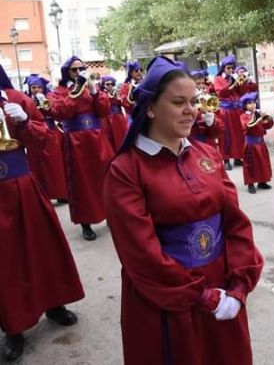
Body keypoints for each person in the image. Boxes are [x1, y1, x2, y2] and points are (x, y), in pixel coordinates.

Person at [104, 56, 263, 365]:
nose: (191, 110)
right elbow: (141, 253)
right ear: (150, 107)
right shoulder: (126, 170)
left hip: (222, 287)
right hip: (165, 296)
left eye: (194, 101)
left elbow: (235, 224)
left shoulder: (206, 154)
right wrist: (203, 296)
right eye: (179, 102)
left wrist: (240, 284)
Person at [0, 65, 84, 362]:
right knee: (4, 263)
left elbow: (44, 140)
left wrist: (25, 123)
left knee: (43, 249)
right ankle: (13, 327)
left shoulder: (15, 98)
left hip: (21, 185)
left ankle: (54, 304)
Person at [47, 56, 112, 241]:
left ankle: (109, 214)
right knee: (81, 182)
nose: (78, 73)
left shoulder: (91, 86)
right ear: (67, 72)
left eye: (80, 69)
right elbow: (61, 112)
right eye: (74, 70)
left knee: (104, 178)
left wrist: (95, 93)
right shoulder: (59, 91)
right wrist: (76, 90)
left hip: (97, 138)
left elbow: (103, 111)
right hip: (76, 141)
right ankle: (85, 223)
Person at [23, 73, 68, 202]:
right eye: (33, 87)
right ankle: (41, 196)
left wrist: (45, 105)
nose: (36, 90)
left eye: (39, 87)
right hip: (34, 135)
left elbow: (57, 114)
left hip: (50, 133)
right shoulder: (26, 99)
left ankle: (60, 193)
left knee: (54, 165)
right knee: (36, 166)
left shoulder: (49, 97)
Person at [213, 56, 253, 170]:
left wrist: (243, 82)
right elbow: (221, 93)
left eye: (232, 68)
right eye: (228, 67)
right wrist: (232, 85)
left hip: (237, 110)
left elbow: (243, 93)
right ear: (223, 68)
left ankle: (237, 158)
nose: (230, 70)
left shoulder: (234, 77)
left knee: (239, 135)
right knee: (226, 135)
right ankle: (226, 159)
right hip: (226, 111)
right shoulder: (218, 79)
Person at [239, 92, 274, 194]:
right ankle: (251, 184)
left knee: (263, 163)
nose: (252, 105)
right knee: (251, 164)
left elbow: (267, 126)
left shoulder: (259, 113)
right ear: (245, 105)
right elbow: (246, 127)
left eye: (254, 102)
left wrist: (268, 119)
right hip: (251, 144)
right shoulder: (244, 116)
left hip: (261, 143)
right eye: (249, 103)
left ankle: (262, 181)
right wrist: (255, 118)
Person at [101, 75, 128, 152]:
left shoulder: (117, 93)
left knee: (121, 139)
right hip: (107, 121)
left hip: (118, 120)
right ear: (103, 85)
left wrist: (118, 99)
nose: (110, 86)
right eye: (107, 84)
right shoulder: (102, 95)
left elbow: (124, 105)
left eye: (112, 84)